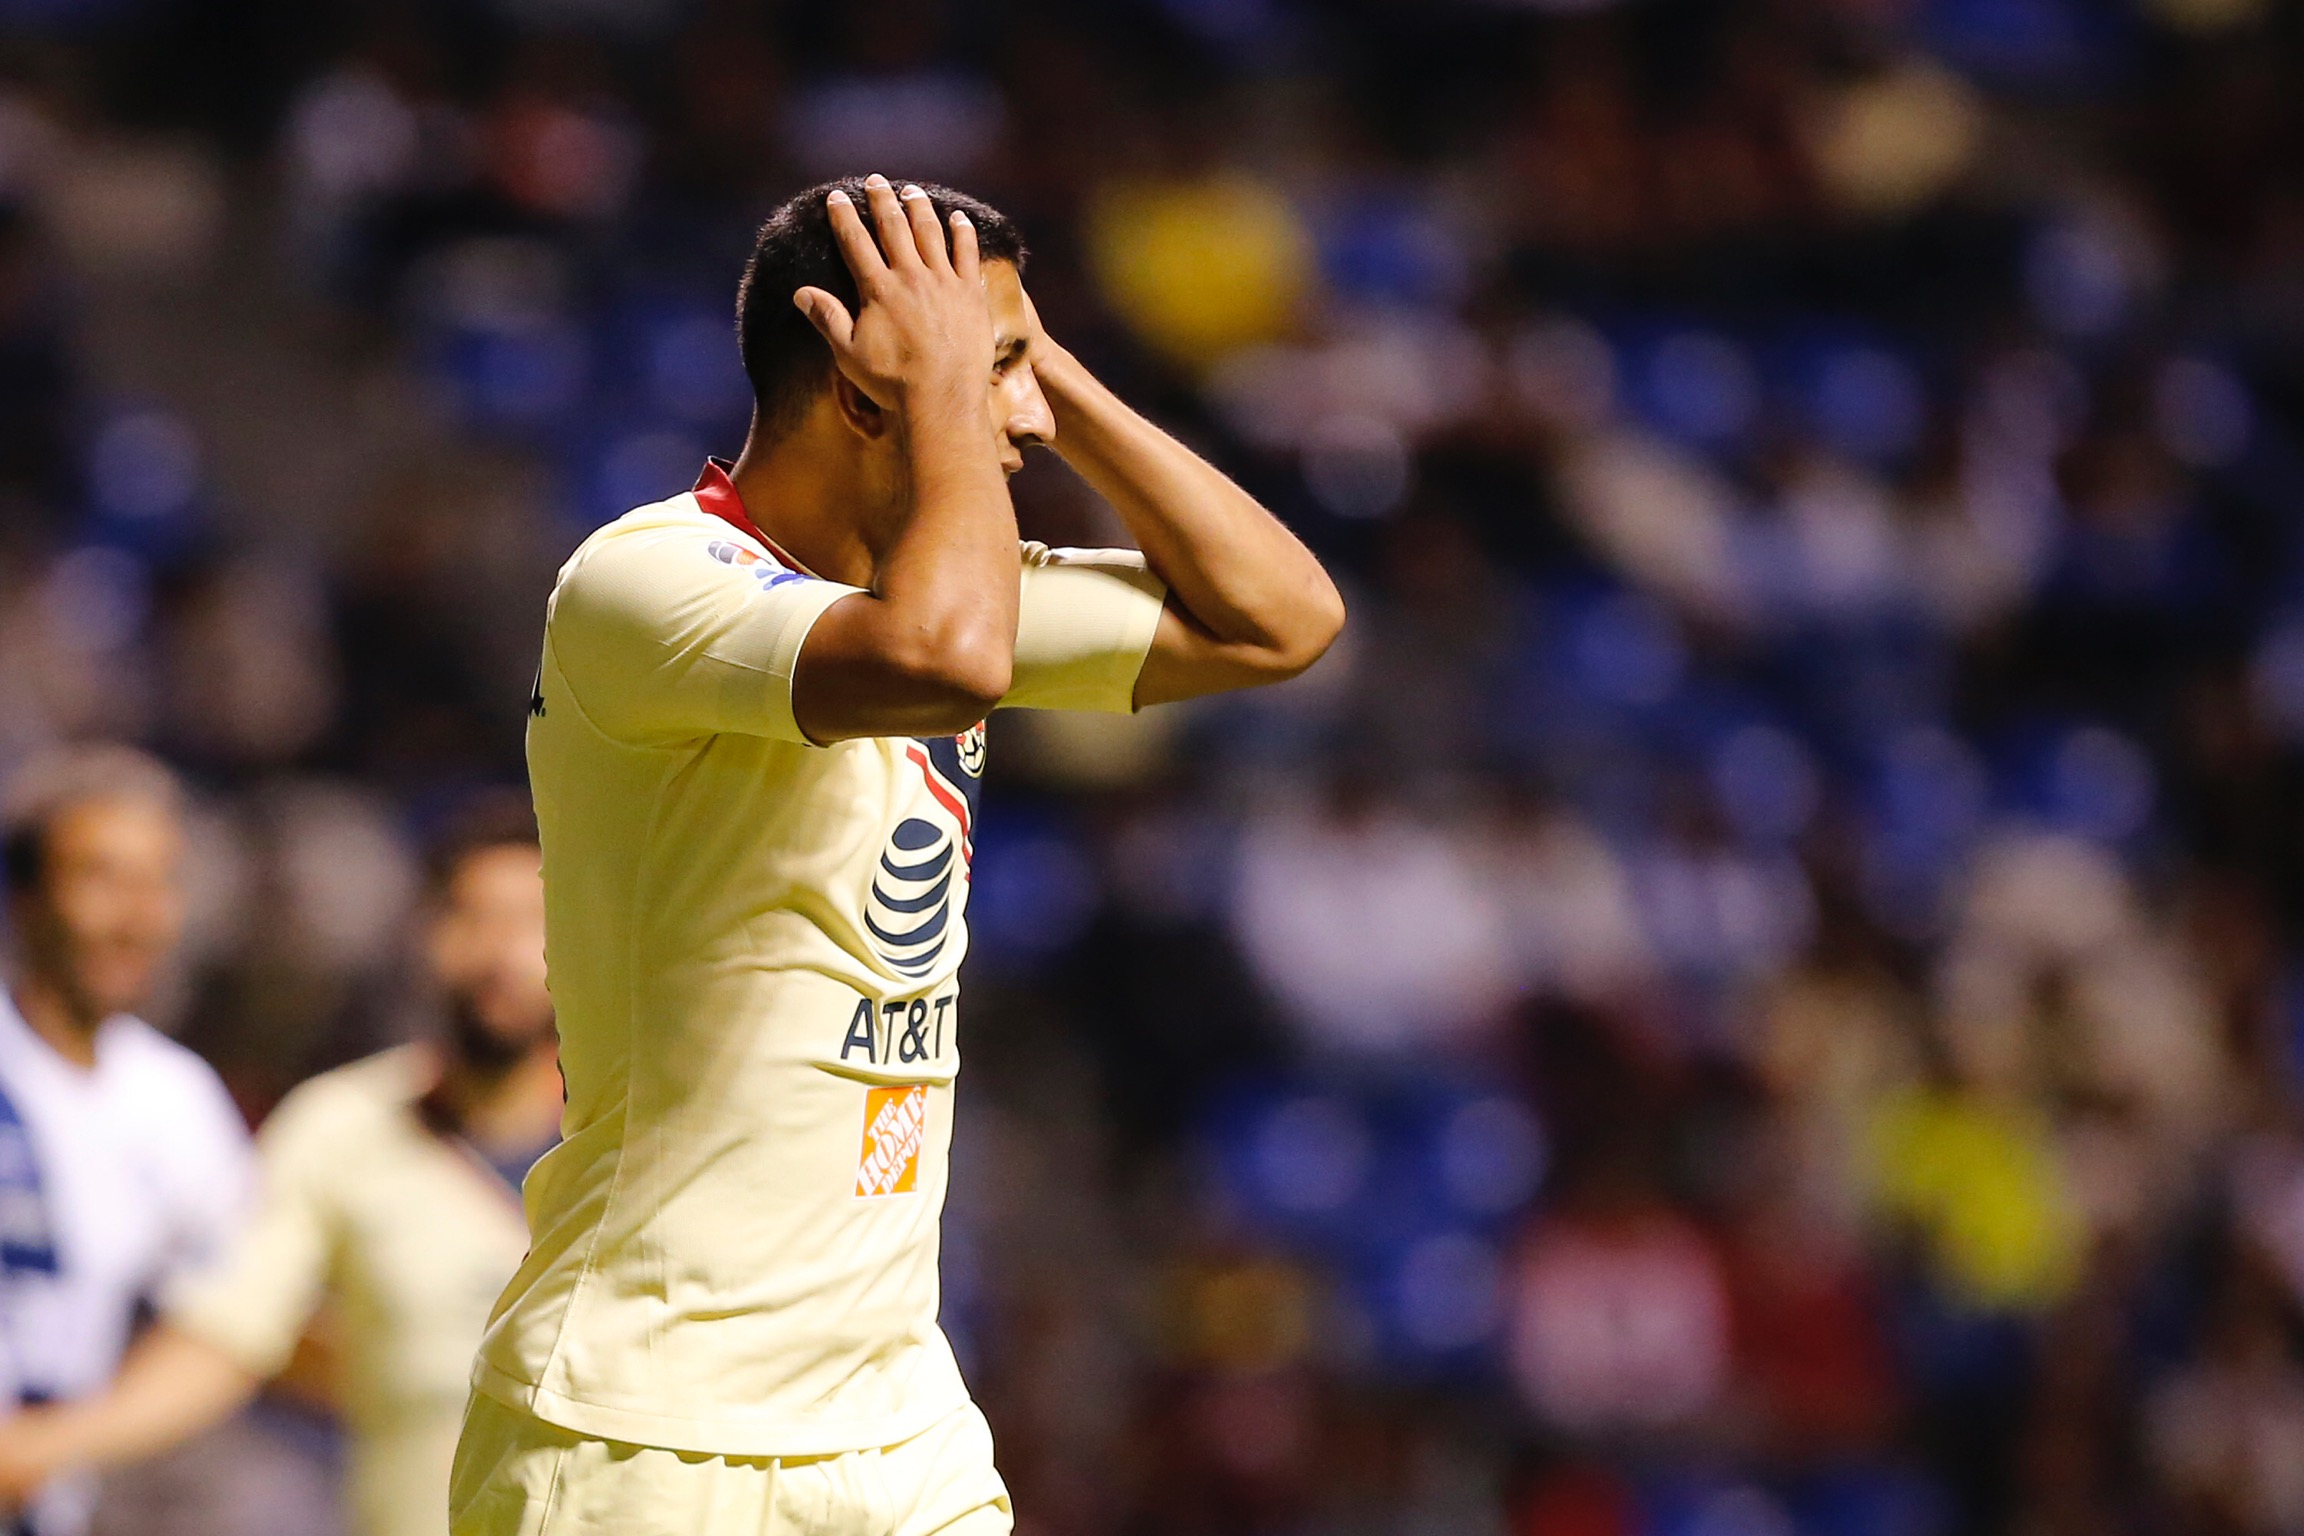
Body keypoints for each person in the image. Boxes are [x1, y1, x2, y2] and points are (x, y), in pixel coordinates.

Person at [450, 174, 1346, 1535]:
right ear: (867, 396)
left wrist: (1040, 369)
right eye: (994, 370)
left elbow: (1284, 620)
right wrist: (946, 396)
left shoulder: (937, 586)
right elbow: (948, 660)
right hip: (643, 1429)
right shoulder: (648, 587)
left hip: (892, 1419)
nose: (1025, 420)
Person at [0, 798, 561, 1536]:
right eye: (471, 917)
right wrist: (45, 1445)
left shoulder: (654, 1130)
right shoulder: (346, 1127)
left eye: (529, 922)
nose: (500, 954)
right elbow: (231, 1327)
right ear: (421, 935)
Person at [0, 747, 253, 1536]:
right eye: (102, 878)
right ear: (27, 895)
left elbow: (234, 1322)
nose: (137, 917)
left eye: (158, 883)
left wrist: (51, 1445)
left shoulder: (176, 1099)